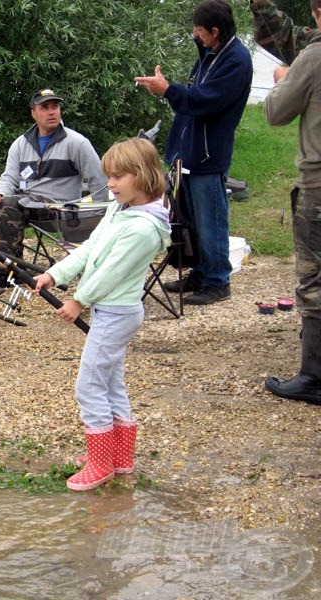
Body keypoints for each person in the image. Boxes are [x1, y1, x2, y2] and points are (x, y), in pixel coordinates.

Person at [33, 137, 172, 491]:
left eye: (117, 177)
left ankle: (100, 465)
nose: (109, 184)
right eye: (109, 176)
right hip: (112, 311)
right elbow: (91, 248)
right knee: (111, 382)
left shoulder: (142, 228)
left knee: (89, 385)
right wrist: (54, 274)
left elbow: (110, 272)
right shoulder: (120, 208)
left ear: (141, 176)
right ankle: (119, 458)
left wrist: (79, 300)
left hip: (117, 314)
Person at [135, 0, 253, 305]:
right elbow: (193, 92)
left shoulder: (236, 61)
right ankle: (200, 271)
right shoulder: (212, 53)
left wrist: (167, 90)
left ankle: (217, 280)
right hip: (188, 153)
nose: (194, 35)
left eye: (199, 31)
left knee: (211, 219)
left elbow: (203, 99)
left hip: (207, 155)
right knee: (190, 220)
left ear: (215, 31)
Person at [0, 88, 108, 284]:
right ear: (33, 113)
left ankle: (10, 271)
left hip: (59, 208)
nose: (51, 112)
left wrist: (103, 217)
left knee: (10, 205)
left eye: (55, 107)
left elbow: (99, 181)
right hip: (26, 203)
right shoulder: (20, 144)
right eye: (45, 107)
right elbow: (9, 177)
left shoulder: (77, 143)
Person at [262, 0, 321, 406]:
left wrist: (284, 79)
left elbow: (275, 113)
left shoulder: (314, 56)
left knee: (315, 280)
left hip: (319, 188)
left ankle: (314, 377)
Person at [250, 0, 321, 65]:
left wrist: (289, 77)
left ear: (319, 14)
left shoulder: (315, 45)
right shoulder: (315, 40)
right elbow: (283, 34)